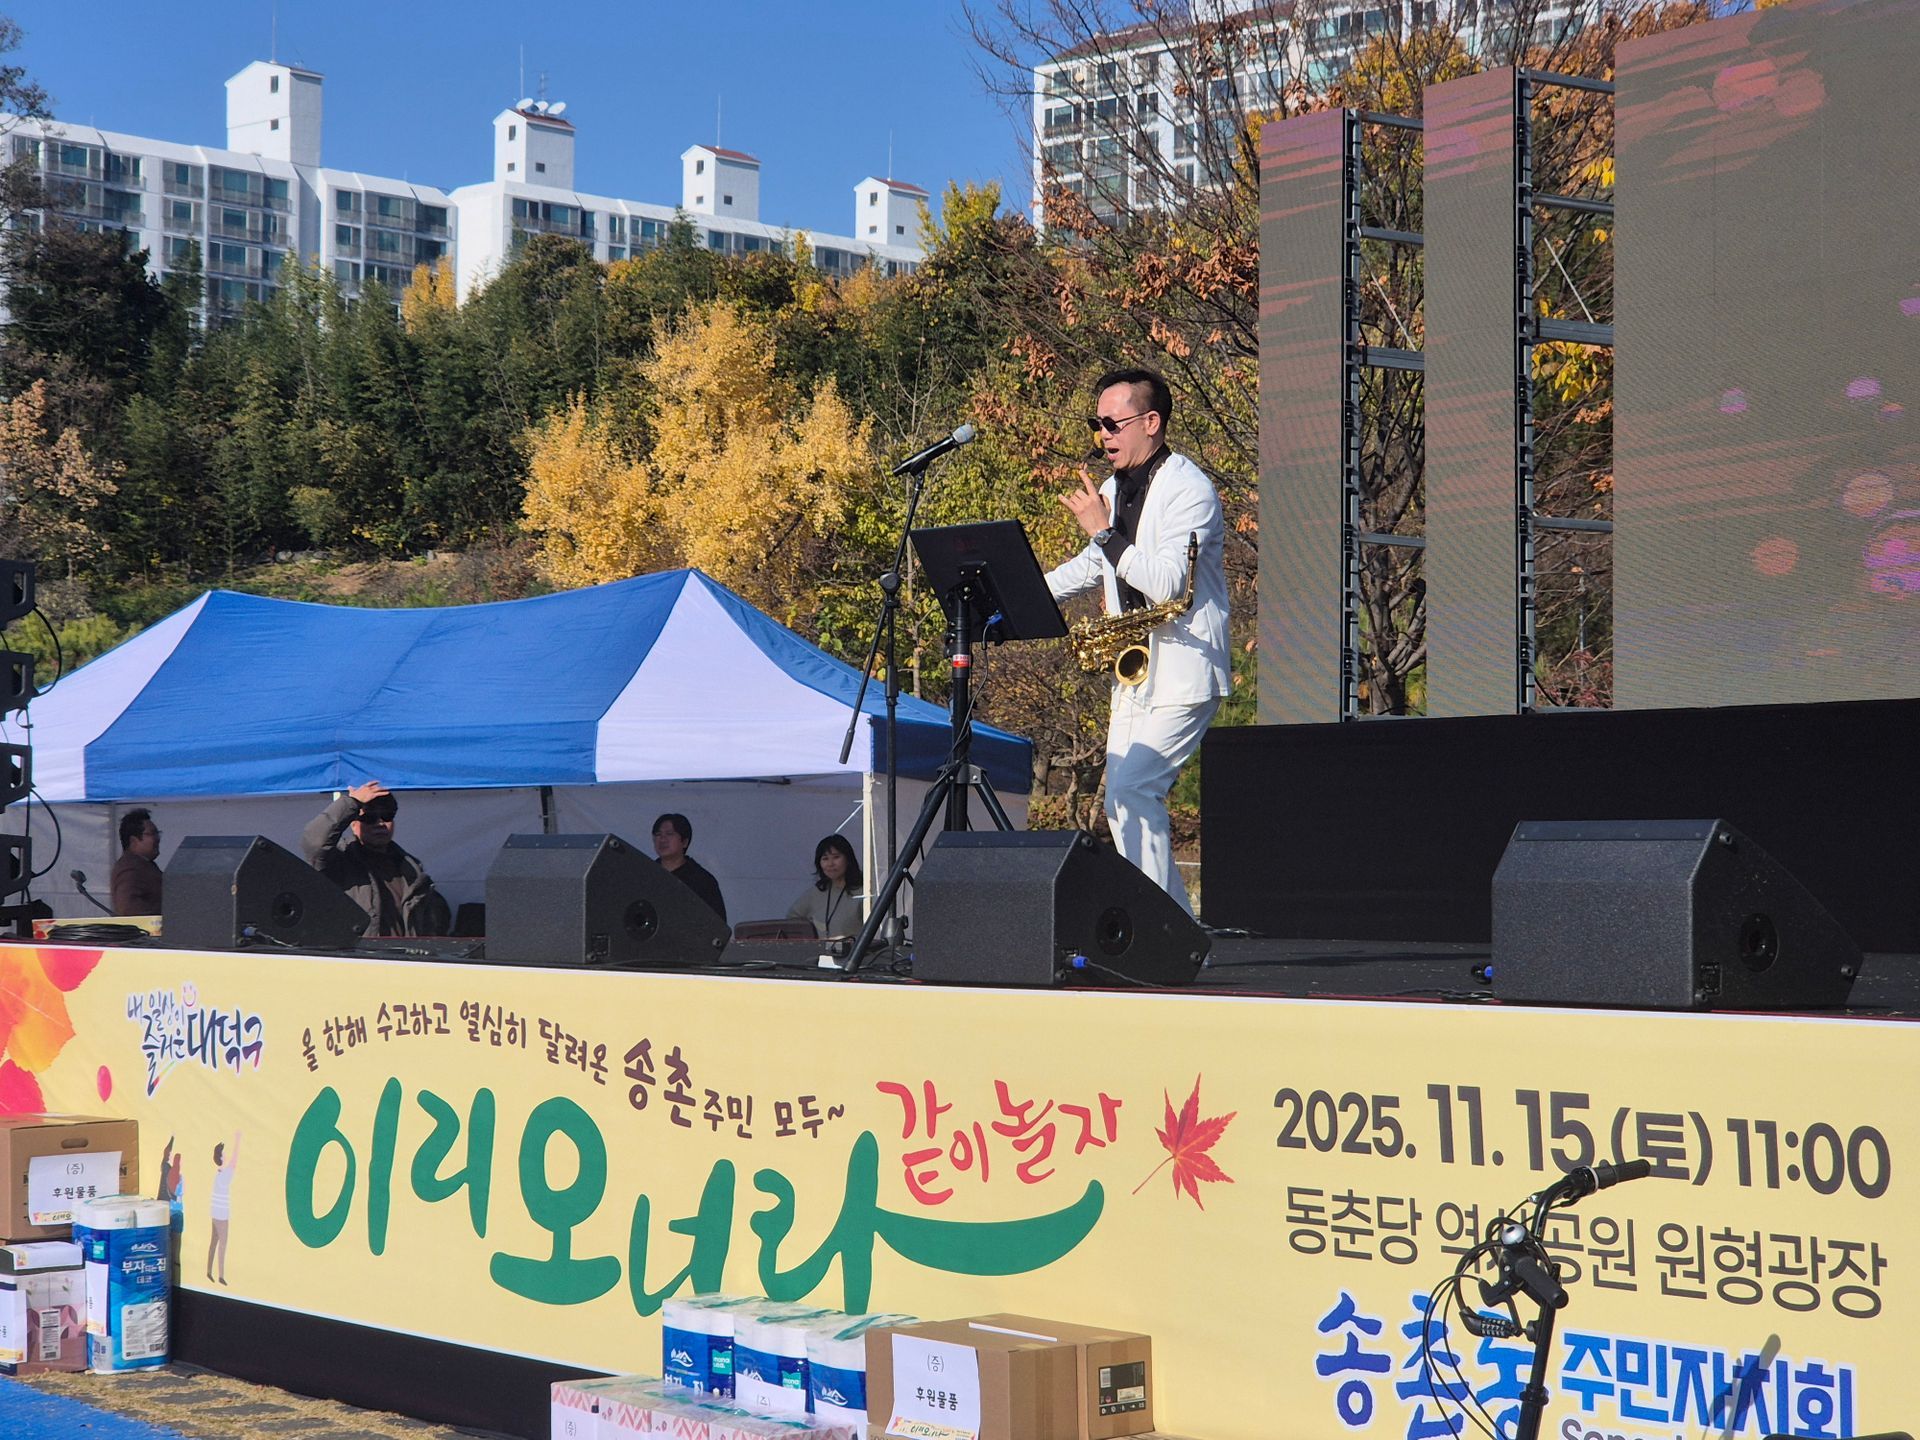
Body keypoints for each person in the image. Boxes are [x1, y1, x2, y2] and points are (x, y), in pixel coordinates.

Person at [1046, 367, 1230, 916]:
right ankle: (1168, 929)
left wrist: (1104, 532)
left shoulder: (1189, 490)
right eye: (1097, 423)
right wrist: (1021, 592)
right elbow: (1092, 565)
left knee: (1132, 789)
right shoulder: (1112, 489)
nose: (1102, 434)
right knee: (1122, 804)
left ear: (1151, 422)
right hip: (1135, 671)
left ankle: (1166, 932)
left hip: (1184, 667)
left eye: (1113, 423)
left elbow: (1169, 582)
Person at [301, 782, 450, 937]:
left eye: (387, 816)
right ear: (353, 825)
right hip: (357, 952)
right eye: (369, 818)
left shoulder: (411, 869)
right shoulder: (338, 861)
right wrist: (351, 802)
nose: (380, 824)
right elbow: (314, 842)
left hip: (403, 952)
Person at [651, 813, 726, 922]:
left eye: (669, 834)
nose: (662, 839)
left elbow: (717, 924)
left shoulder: (703, 881)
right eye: (658, 834)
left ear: (684, 842)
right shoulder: (646, 875)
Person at [786, 834, 863, 939]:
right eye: (825, 858)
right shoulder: (816, 893)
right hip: (819, 949)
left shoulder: (864, 892)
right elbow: (791, 922)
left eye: (836, 857)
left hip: (857, 949)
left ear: (848, 859)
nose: (830, 864)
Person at [110, 808, 163, 916]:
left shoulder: (144, 864)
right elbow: (128, 907)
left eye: (157, 833)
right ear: (133, 841)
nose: (157, 838)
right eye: (152, 834)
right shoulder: (130, 868)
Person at [207, 1132, 238, 1285]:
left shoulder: (218, 1174)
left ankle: (209, 1271)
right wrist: (238, 1141)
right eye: (224, 1153)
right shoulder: (224, 1175)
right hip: (222, 1215)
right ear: (221, 1157)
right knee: (222, 1244)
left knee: (213, 1242)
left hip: (215, 1213)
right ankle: (221, 1275)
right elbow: (234, 1162)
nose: (226, 1156)